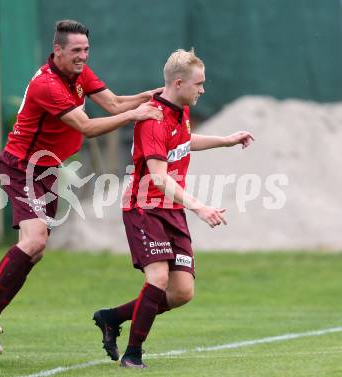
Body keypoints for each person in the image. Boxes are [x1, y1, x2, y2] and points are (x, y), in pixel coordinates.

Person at [0, 19, 163, 354]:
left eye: (86, 49)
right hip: (22, 168)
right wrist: (137, 115)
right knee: (35, 239)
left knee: (36, 248)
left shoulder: (79, 74)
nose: (83, 56)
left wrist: (149, 96)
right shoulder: (48, 85)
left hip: (46, 171)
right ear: (57, 50)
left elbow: (114, 103)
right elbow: (86, 127)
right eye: (76, 50)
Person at [93, 48, 254, 368]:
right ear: (178, 83)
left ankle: (111, 318)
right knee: (158, 278)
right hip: (145, 207)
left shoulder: (180, 109)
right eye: (199, 84)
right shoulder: (152, 118)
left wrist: (226, 140)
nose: (203, 89)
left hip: (170, 209)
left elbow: (184, 140)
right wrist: (199, 207)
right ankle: (133, 354)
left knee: (182, 292)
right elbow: (159, 178)